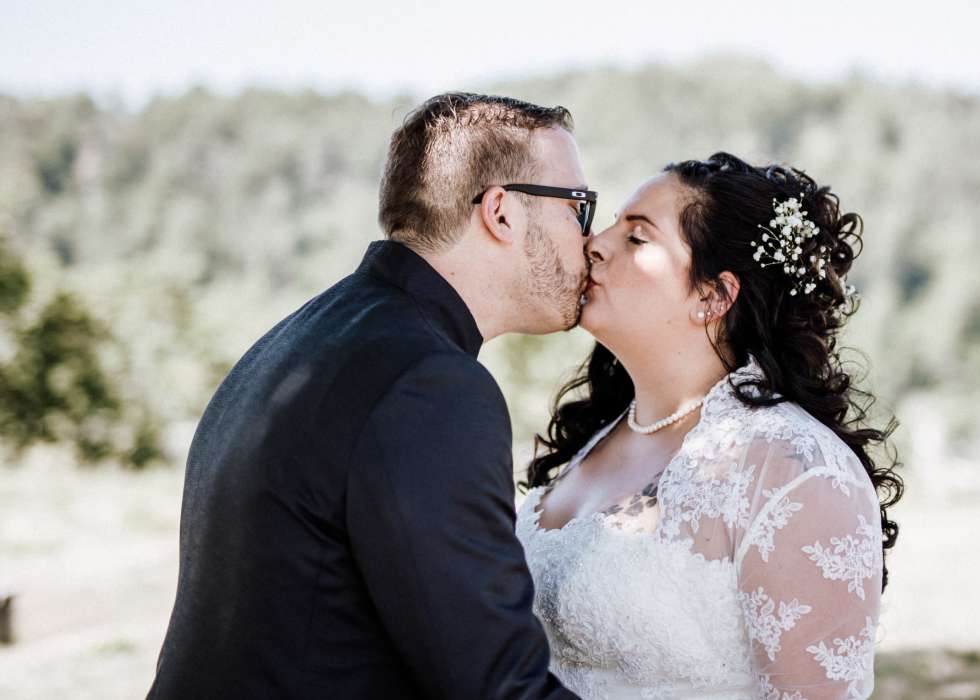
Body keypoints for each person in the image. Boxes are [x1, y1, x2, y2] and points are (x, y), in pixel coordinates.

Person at [147, 92, 594, 699]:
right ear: (502, 213)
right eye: (577, 207)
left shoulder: (294, 341)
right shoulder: (432, 386)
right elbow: (496, 686)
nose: (589, 240)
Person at [517, 153, 903, 699]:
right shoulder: (599, 436)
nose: (594, 244)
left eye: (637, 237)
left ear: (713, 296)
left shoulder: (794, 469)